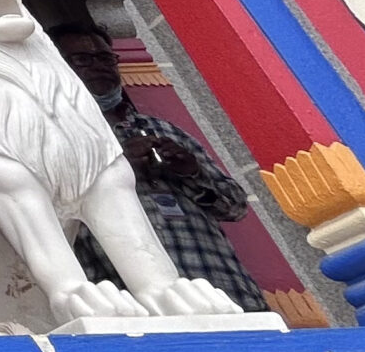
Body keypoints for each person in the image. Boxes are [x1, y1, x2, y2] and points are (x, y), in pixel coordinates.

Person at [49, 22, 269, 312]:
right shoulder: (55, 138)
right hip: (140, 308)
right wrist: (116, 171)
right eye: (82, 60)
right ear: (55, 67)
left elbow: (236, 207)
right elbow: (49, 217)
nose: (99, 66)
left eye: (105, 58)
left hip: (227, 293)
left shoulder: (161, 129)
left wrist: (191, 171)